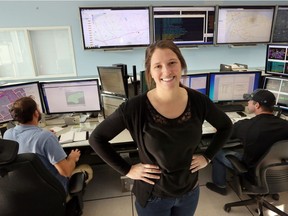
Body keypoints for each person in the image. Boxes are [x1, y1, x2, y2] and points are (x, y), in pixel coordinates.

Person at [89, 40, 232, 216]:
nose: (166, 71)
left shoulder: (198, 101)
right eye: (158, 66)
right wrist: (127, 170)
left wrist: (208, 157)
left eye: (172, 63)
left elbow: (225, 126)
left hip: (190, 192)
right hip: (153, 197)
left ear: (181, 65)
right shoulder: (135, 107)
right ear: (150, 71)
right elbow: (96, 138)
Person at [3, 96, 93, 196]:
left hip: (23, 190)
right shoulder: (46, 137)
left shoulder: (8, 134)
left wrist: (43, 134)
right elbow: (66, 172)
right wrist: (72, 158)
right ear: (36, 113)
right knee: (86, 167)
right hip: (52, 191)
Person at [206, 89, 288, 195]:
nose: (248, 103)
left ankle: (220, 186)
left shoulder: (246, 126)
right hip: (279, 171)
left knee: (216, 151)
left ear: (257, 105)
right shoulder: (285, 125)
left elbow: (225, 133)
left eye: (249, 100)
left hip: (252, 172)